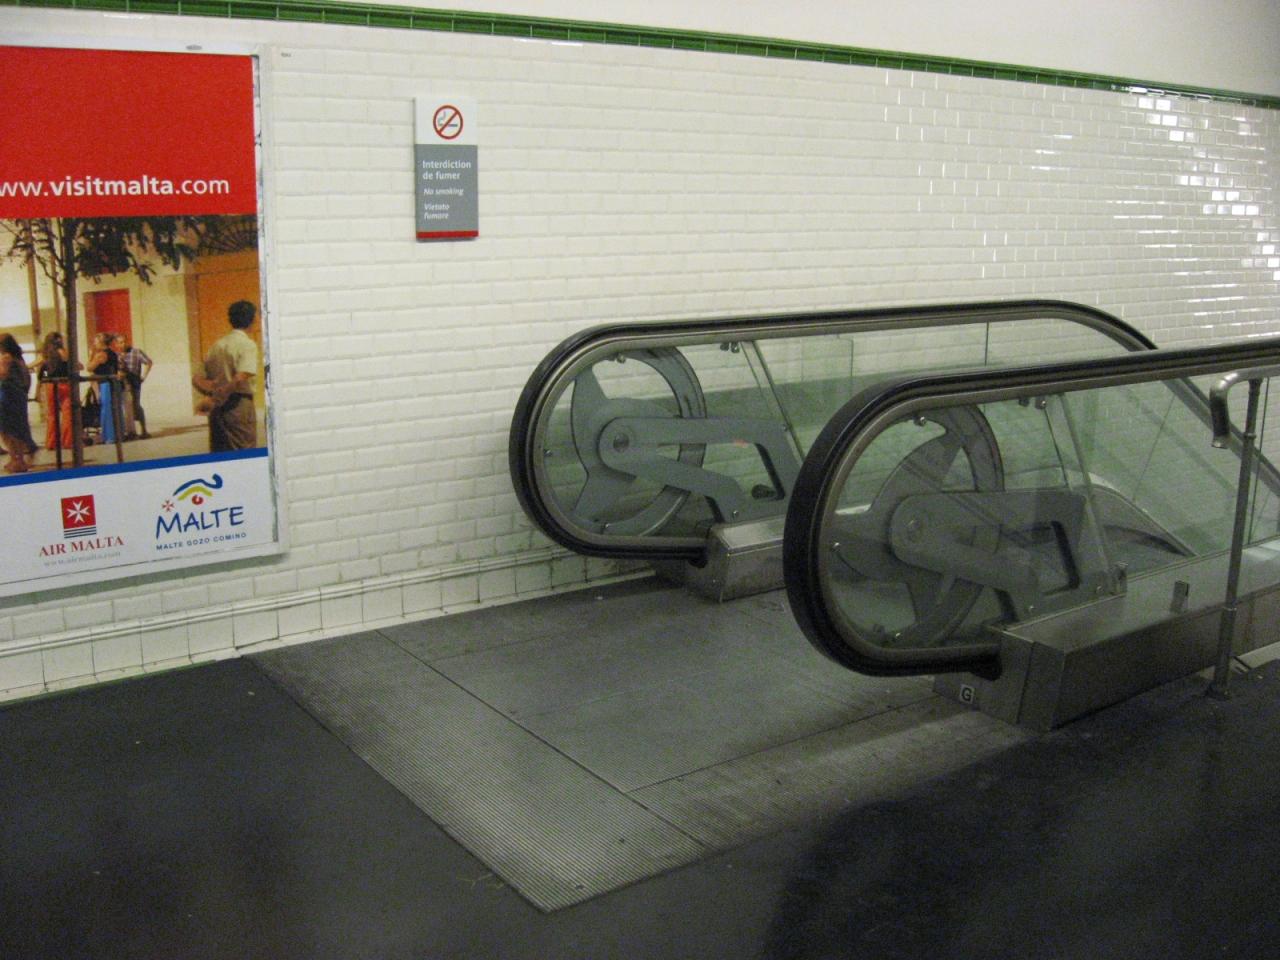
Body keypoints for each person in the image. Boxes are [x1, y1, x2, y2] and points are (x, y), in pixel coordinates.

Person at [193, 300, 259, 451]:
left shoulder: (217, 345)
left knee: (220, 452)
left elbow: (196, 378)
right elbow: (241, 376)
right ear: (252, 319)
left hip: (217, 411)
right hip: (238, 406)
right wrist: (219, 396)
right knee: (243, 451)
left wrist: (211, 395)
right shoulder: (248, 345)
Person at [0, 333, 37, 473]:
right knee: (17, 427)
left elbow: (2, 374)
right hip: (18, 395)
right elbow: (26, 378)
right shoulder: (19, 359)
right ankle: (18, 459)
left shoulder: (6, 358)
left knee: (8, 429)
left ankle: (16, 460)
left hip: (7, 395)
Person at [35, 331, 73, 452]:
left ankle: (52, 442)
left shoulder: (45, 355)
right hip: (64, 382)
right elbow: (73, 365)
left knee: (52, 414)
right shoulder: (62, 352)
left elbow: (38, 369)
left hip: (50, 384)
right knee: (67, 412)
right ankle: (68, 441)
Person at [118, 334, 153, 439]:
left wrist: (144, 376)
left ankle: (143, 430)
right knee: (125, 407)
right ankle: (129, 431)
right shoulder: (117, 355)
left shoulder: (136, 352)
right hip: (122, 384)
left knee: (136, 405)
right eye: (120, 342)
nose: (123, 344)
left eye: (124, 341)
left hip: (134, 382)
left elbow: (149, 362)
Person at [87, 333, 120, 445]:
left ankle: (109, 436)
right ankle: (115, 434)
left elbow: (89, 367)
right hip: (112, 384)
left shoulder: (101, 355)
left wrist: (91, 355)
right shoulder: (112, 353)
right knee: (112, 409)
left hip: (105, 384)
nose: (94, 343)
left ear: (101, 342)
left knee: (106, 410)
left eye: (96, 341)